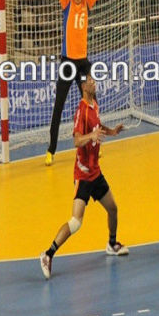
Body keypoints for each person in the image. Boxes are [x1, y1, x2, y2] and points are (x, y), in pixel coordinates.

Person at [40, 74, 127, 280]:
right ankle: (47, 254)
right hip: (83, 175)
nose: (94, 82)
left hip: (96, 172)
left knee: (113, 208)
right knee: (76, 222)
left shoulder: (94, 104)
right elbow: (77, 141)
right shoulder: (81, 111)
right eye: (91, 81)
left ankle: (112, 244)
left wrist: (110, 131)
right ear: (83, 86)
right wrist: (92, 137)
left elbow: (97, 126)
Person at [45, 0, 104, 166]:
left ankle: (96, 146)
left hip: (83, 63)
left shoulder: (88, 1)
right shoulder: (67, 1)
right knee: (58, 106)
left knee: (93, 104)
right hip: (68, 63)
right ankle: (51, 149)